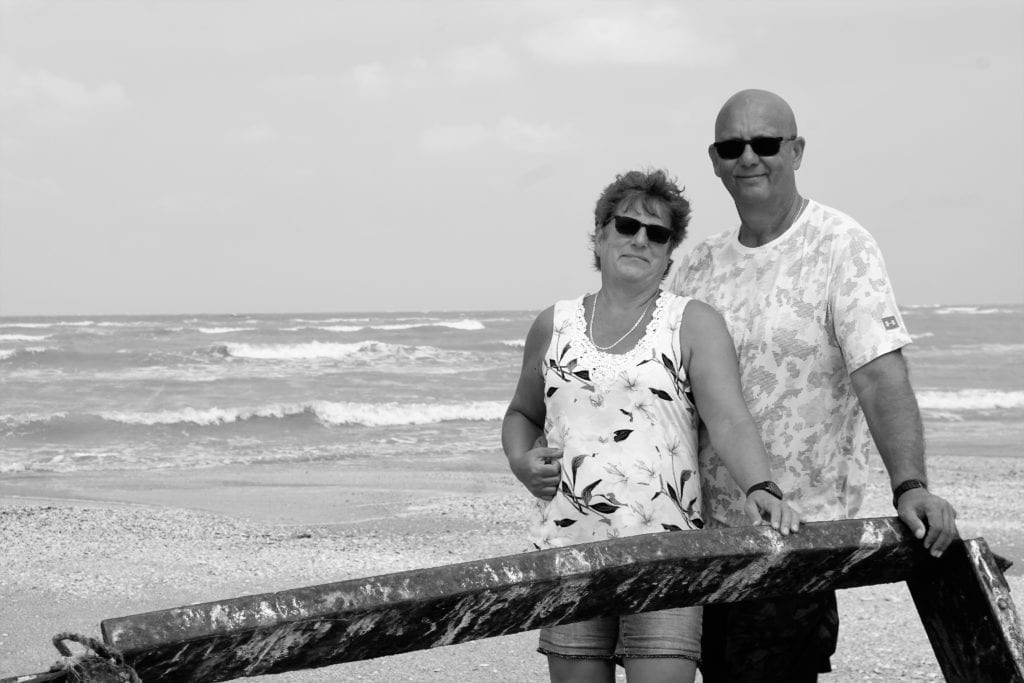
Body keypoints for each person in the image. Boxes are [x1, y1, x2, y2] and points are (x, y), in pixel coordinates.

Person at [669, 89, 959, 682]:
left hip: (797, 538)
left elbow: (879, 374)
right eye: (733, 146)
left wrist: (910, 485)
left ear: (796, 151)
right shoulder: (697, 264)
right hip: (702, 538)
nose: (749, 157)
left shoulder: (841, 245)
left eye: (766, 143)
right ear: (715, 160)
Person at [502, 169, 801, 683]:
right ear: (600, 234)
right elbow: (522, 414)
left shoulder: (693, 321)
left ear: (669, 253)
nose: (640, 239)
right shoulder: (554, 323)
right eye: (626, 225)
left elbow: (727, 417)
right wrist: (521, 461)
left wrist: (761, 485)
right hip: (570, 547)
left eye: (657, 233)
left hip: (667, 549)